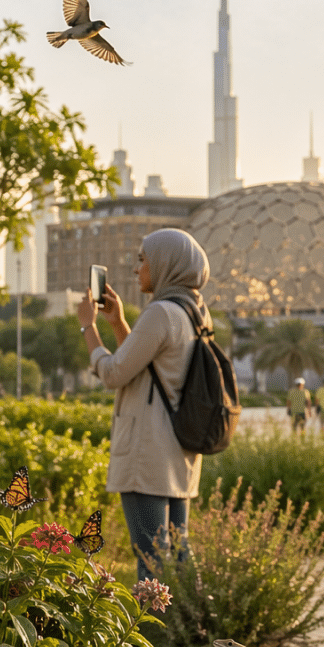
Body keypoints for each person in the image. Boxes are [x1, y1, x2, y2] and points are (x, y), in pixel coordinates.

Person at [77, 229, 210, 581]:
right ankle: (192, 626)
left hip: (146, 454)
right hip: (177, 450)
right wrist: (117, 323)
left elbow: (114, 372)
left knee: (150, 559)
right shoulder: (194, 312)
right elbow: (148, 365)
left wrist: (87, 328)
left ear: (165, 263)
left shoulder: (161, 313)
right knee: (179, 555)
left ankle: (154, 631)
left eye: (142, 259)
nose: (137, 269)